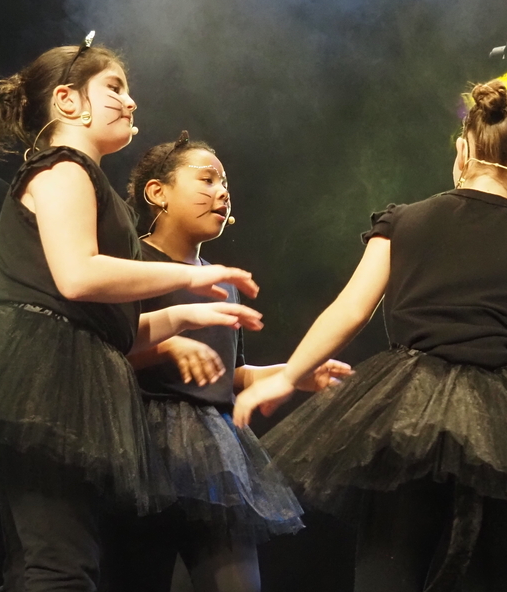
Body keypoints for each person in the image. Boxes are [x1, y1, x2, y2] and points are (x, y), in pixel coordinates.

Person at [0, 37, 263, 592]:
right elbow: (78, 275)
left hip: (63, 367)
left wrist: (179, 321)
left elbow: (113, 327)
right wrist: (191, 277)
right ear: (68, 101)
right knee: (58, 567)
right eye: (114, 88)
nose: (130, 102)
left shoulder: (88, 181)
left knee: (51, 564)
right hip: (41, 373)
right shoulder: (64, 169)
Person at [233, 82, 507, 592]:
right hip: (506, 420)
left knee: (390, 564)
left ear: (464, 150)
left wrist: (288, 376)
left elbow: (350, 309)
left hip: (410, 411)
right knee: (497, 574)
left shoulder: (404, 221)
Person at [104, 132, 350, 592]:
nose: (222, 193)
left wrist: (293, 374)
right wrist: (166, 347)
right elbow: (104, 349)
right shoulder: (130, 265)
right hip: (140, 445)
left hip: (211, 453)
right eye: (207, 180)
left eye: (225, 185)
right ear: (158, 193)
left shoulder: (222, 282)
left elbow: (227, 374)